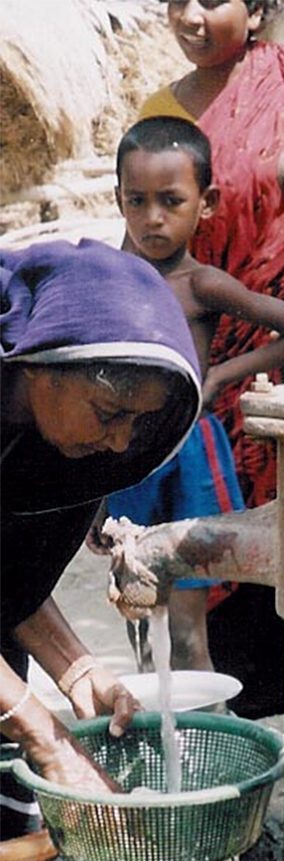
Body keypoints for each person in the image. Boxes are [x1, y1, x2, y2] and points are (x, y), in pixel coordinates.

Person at [135, 0, 284, 717]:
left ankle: (264, 720)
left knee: (270, 541)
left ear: (259, 10)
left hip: (268, 371)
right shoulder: (160, 112)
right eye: (177, 0)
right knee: (160, 573)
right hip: (170, 410)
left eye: (213, 0)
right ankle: (183, 722)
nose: (191, 15)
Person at [0, 238, 201, 830]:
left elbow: (9, 580)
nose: (119, 442)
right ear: (42, 364)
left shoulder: (55, 449)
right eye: (110, 412)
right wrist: (45, 736)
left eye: (137, 423)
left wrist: (77, 671)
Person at [105, 116, 284, 673]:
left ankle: (204, 748)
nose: (153, 218)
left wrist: (219, 377)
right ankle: (155, 741)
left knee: (189, 626)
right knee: (137, 611)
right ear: (118, 200)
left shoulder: (201, 285)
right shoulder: (110, 278)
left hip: (190, 450)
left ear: (207, 202)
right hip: (127, 454)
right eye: (137, 201)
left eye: (170, 201)